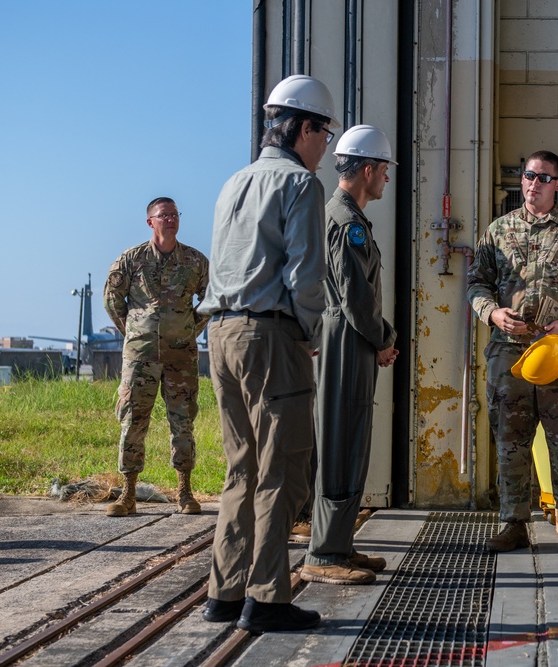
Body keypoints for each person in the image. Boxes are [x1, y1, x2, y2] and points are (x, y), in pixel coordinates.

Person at [197, 74, 338, 633]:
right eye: (323, 133)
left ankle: (224, 594)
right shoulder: (301, 186)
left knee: (241, 471)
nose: (325, 146)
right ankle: (268, 599)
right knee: (282, 469)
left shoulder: (233, 182)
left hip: (222, 334)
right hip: (270, 335)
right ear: (303, 128)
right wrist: (311, 334)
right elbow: (305, 277)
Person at [466, 150, 558, 554]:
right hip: (509, 353)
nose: (533, 183)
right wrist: (493, 314)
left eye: (543, 178)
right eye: (528, 175)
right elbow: (476, 283)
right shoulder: (499, 230)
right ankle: (514, 523)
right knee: (510, 439)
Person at [300, 125, 399, 586]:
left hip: (347, 337)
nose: (386, 180)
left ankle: (338, 543)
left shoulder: (343, 216)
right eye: (384, 171)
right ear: (367, 170)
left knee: (350, 439)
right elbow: (356, 296)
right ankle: (324, 554)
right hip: (349, 338)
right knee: (342, 441)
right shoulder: (346, 222)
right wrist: (383, 339)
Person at [103, 197, 209, 518]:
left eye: (175, 215)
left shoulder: (194, 261)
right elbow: (112, 300)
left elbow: (211, 297)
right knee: (133, 420)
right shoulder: (131, 260)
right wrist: (134, 332)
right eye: (164, 215)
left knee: (183, 422)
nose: (171, 220)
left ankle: (185, 492)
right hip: (141, 357)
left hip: (181, 358)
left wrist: (190, 327)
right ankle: (129, 494)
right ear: (151, 222)